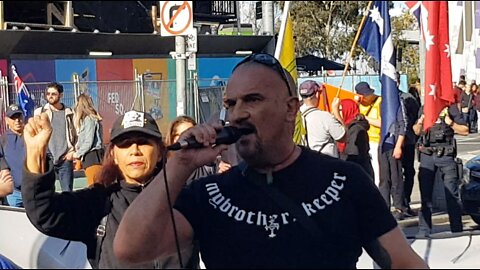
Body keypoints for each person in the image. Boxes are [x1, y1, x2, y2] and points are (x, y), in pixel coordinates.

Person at [114, 53, 428, 268]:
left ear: (291, 108)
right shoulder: (209, 195)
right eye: (231, 103)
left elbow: (404, 262)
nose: (238, 113)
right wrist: (179, 165)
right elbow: (130, 250)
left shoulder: (345, 181)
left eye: (253, 99)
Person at [22, 110, 197, 268]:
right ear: (113, 155)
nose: (135, 150)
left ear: (159, 153)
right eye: (125, 144)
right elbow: (44, 213)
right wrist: (36, 152)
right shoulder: (99, 202)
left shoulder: (186, 199)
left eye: (143, 142)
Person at [413, 102, 469, 236]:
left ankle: (456, 228)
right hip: (427, 155)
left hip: (446, 155)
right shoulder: (426, 107)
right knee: (425, 195)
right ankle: (424, 229)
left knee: (452, 194)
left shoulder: (451, 108)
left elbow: (465, 131)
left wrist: (451, 123)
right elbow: (416, 130)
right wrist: (421, 120)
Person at [34, 82, 77, 192]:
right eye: (48, 94)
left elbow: (77, 134)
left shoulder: (69, 112)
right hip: (47, 159)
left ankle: (67, 210)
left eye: (53, 94)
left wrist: (73, 152)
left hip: (65, 159)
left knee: (67, 192)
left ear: (61, 95)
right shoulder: (39, 112)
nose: (50, 96)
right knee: (47, 192)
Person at [299, 80, 346, 157]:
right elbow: (343, 137)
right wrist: (336, 111)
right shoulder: (324, 117)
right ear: (317, 94)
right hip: (326, 164)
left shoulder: (295, 115)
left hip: (305, 162)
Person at [165, 115, 215, 184]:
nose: (184, 139)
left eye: (190, 135)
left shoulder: (205, 164)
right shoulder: (162, 169)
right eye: (178, 135)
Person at [72, 93, 104, 186]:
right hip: (89, 158)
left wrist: (76, 154)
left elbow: (88, 142)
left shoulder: (89, 120)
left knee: (94, 186)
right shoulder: (88, 119)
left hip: (93, 157)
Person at [338, 99, 374, 179]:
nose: (339, 112)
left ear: (348, 110)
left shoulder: (356, 129)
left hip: (358, 174)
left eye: (340, 109)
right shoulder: (350, 126)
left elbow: (353, 154)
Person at [355, 81, 382, 186]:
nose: (368, 97)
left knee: (376, 169)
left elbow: (382, 122)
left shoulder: (379, 102)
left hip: (376, 140)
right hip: (363, 141)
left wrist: (365, 118)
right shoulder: (358, 105)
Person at [1, 104, 26, 207]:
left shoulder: (32, 136)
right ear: (7, 120)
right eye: (13, 118)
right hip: (14, 194)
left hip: (33, 191)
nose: (17, 120)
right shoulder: (3, 140)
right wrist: (4, 168)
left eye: (19, 117)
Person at [401, 86, 421, 216]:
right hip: (391, 142)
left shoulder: (408, 99)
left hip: (407, 141)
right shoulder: (384, 98)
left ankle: (405, 203)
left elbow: (416, 119)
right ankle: (400, 204)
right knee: (393, 176)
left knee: (408, 172)